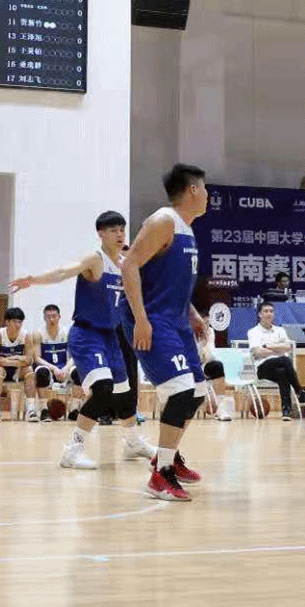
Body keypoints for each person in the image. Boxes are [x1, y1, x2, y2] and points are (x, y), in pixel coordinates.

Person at [9, 210, 157, 467]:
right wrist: (33, 280)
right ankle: (73, 450)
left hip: (111, 336)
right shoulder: (95, 259)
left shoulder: (126, 264)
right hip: (87, 334)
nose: (120, 234)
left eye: (122, 230)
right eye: (113, 230)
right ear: (101, 234)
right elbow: (63, 272)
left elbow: (139, 294)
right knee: (102, 390)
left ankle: (133, 442)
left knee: (124, 394)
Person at [120, 162, 211, 502]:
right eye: (205, 188)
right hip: (152, 319)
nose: (208, 195)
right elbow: (129, 265)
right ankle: (161, 475)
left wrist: (193, 313)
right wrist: (141, 319)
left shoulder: (186, 229)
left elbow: (170, 282)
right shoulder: (163, 221)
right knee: (182, 391)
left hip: (175, 319)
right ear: (193, 190)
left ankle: (166, 457)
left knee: (197, 391)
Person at [247, 301, 305, 420]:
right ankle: (300, 392)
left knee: (282, 372)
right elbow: (257, 352)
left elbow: (287, 347)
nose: (269, 314)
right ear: (260, 314)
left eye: (271, 311)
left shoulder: (280, 331)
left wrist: (267, 346)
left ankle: (286, 412)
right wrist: (278, 349)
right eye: (265, 311)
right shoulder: (253, 332)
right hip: (263, 367)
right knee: (285, 359)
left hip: (279, 367)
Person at [27, 304, 74, 421]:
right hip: (47, 367)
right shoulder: (38, 333)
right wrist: (54, 368)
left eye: (54, 316)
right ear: (44, 318)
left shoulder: (67, 332)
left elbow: (73, 356)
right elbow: (37, 358)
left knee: (78, 372)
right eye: (48, 317)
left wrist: (66, 368)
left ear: (59, 317)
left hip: (63, 368)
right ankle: (44, 409)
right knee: (41, 373)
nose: (51, 319)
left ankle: (74, 409)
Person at [0, 307, 29, 422]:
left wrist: (8, 359)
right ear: (7, 322)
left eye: (20, 322)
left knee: (29, 370)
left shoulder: (26, 335)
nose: (18, 325)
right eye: (15, 321)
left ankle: (31, 410)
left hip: (16, 371)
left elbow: (28, 359)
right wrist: (17, 360)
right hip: (0, 369)